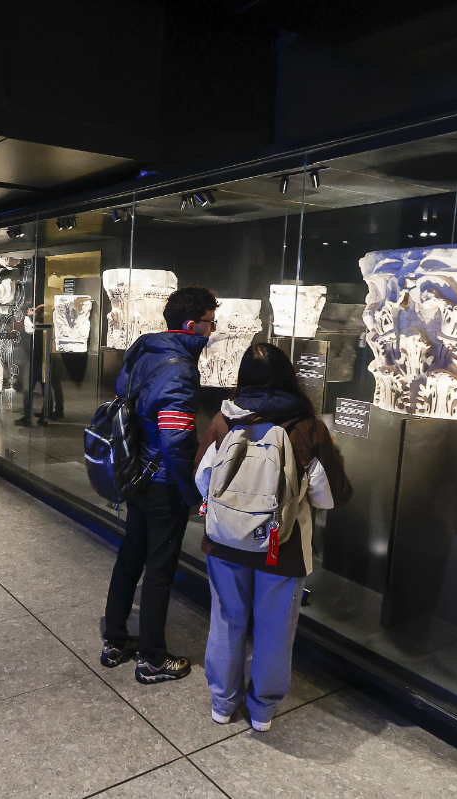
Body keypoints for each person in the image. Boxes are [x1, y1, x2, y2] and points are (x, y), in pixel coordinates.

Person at [194, 342, 352, 731]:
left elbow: (202, 480)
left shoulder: (224, 420)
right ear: (288, 376)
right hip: (280, 548)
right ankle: (262, 710)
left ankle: (221, 703)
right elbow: (329, 497)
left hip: (225, 542)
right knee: (275, 628)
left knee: (226, 620)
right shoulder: (307, 427)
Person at [100, 286, 217, 684]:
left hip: (135, 471)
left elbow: (122, 398)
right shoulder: (180, 368)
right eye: (209, 322)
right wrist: (191, 490)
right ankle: (152, 659)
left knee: (131, 556)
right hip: (163, 481)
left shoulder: (144, 351)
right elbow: (176, 438)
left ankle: (115, 640)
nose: (212, 330)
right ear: (191, 325)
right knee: (160, 569)